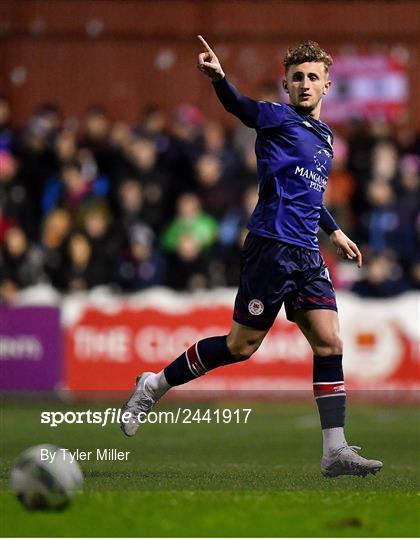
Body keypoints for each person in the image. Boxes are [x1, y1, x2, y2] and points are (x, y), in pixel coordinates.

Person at [120, 36, 383, 478]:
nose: (304, 84)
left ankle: (334, 451)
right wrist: (220, 79)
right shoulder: (276, 118)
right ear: (286, 83)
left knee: (329, 342)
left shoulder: (325, 137)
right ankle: (154, 384)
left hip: (307, 253)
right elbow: (240, 107)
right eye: (296, 77)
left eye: (312, 77)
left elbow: (309, 193)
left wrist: (334, 231)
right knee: (240, 346)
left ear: (327, 85)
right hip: (271, 248)